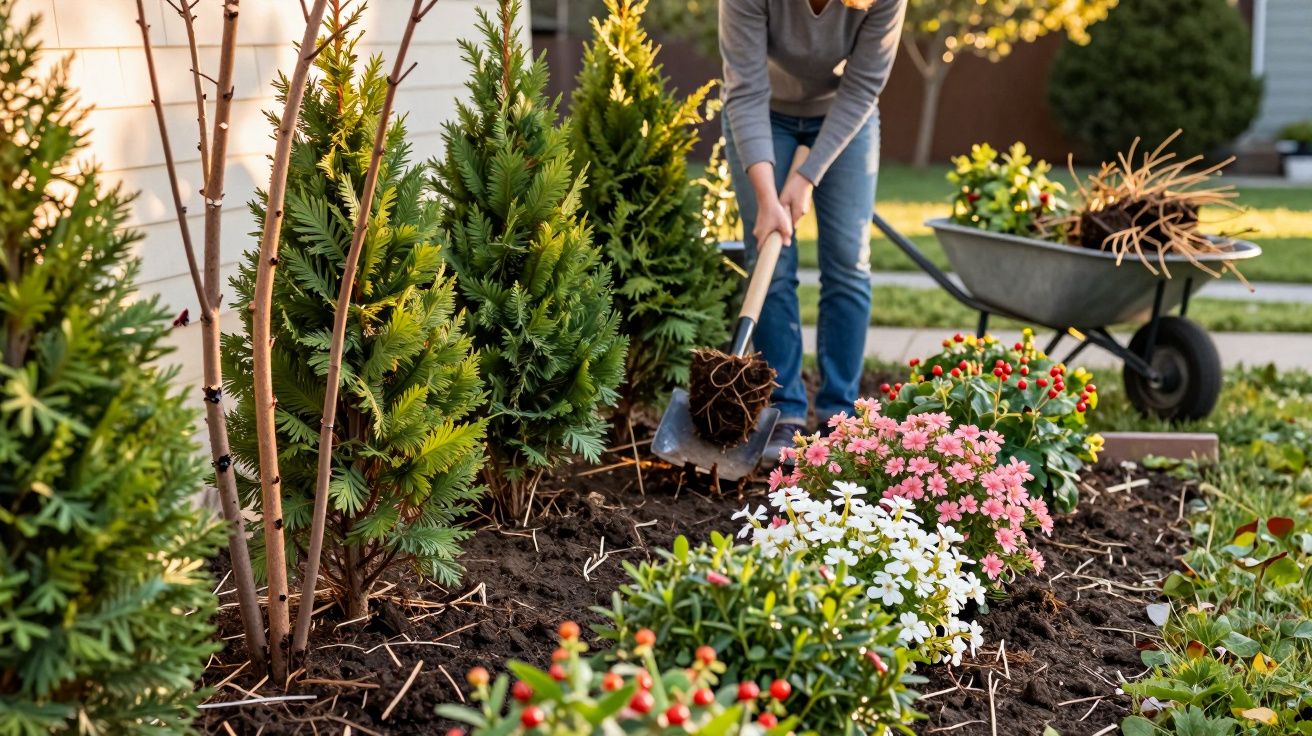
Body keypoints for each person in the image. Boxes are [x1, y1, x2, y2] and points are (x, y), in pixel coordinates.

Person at [719, 0, 907, 462]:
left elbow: (863, 87)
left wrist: (805, 180)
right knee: (770, 258)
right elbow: (744, 91)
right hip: (763, 111)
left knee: (847, 259)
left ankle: (840, 415)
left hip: (843, 115)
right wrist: (768, 198)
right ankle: (785, 413)